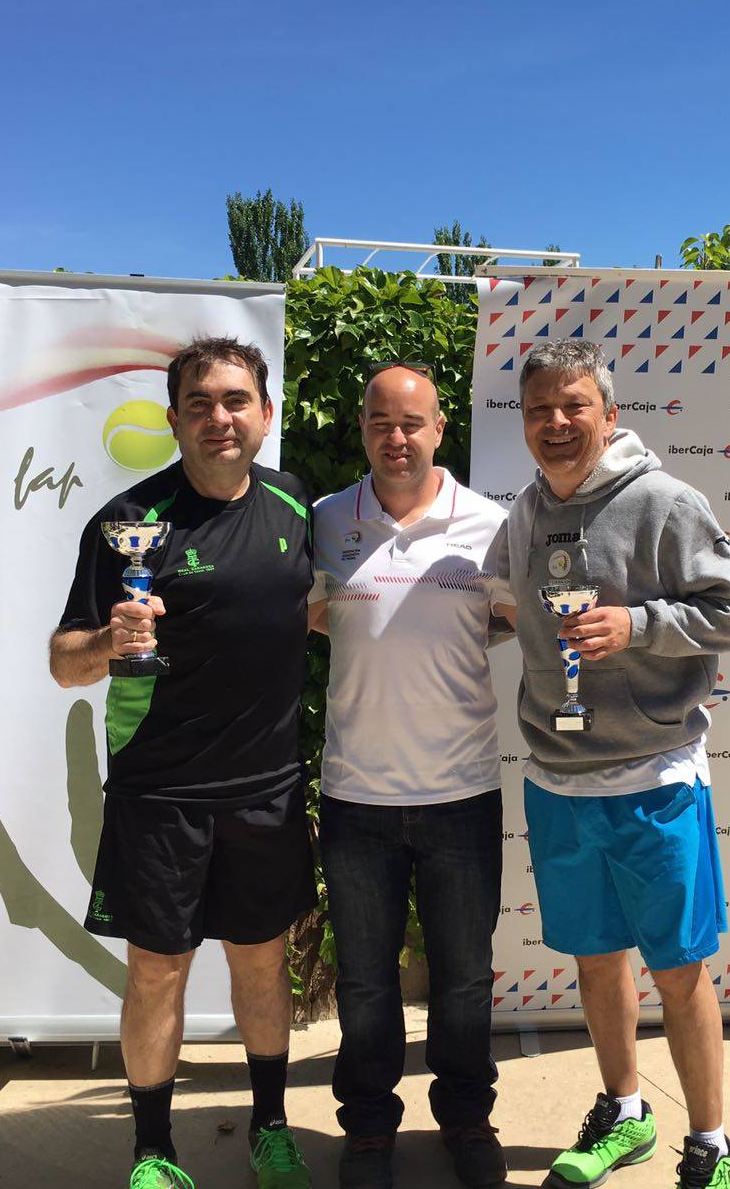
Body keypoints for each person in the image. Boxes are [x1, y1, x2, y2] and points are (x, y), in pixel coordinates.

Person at [498, 339, 730, 1189]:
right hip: (557, 779)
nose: (555, 422)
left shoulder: (664, 502)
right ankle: (625, 1112)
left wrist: (639, 625)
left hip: (654, 780)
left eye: (572, 405)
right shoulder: (525, 514)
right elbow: (500, 610)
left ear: (609, 415)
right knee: (595, 958)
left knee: (679, 971)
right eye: (538, 409)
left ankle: (712, 1144)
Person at [50, 338, 315, 1189]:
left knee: (261, 962)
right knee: (157, 972)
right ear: (173, 419)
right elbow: (63, 663)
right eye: (199, 404)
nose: (218, 418)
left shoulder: (295, 504)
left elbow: (315, 609)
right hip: (159, 794)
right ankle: (154, 1152)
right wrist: (107, 640)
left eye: (236, 401)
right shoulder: (128, 520)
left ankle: (271, 1127)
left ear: (265, 414)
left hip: (267, 789)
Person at [308, 361, 515, 1189]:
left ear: (439, 430)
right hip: (355, 796)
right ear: (363, 428)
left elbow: (512, 621)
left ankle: (466, 1117)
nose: (396, 438)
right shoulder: (327, 518)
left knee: (464, 982)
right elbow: (311, 616)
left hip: (461, 793)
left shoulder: (491, 523)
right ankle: (367, 1129)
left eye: (411, 423)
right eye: (380, 422)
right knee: (364, 984)